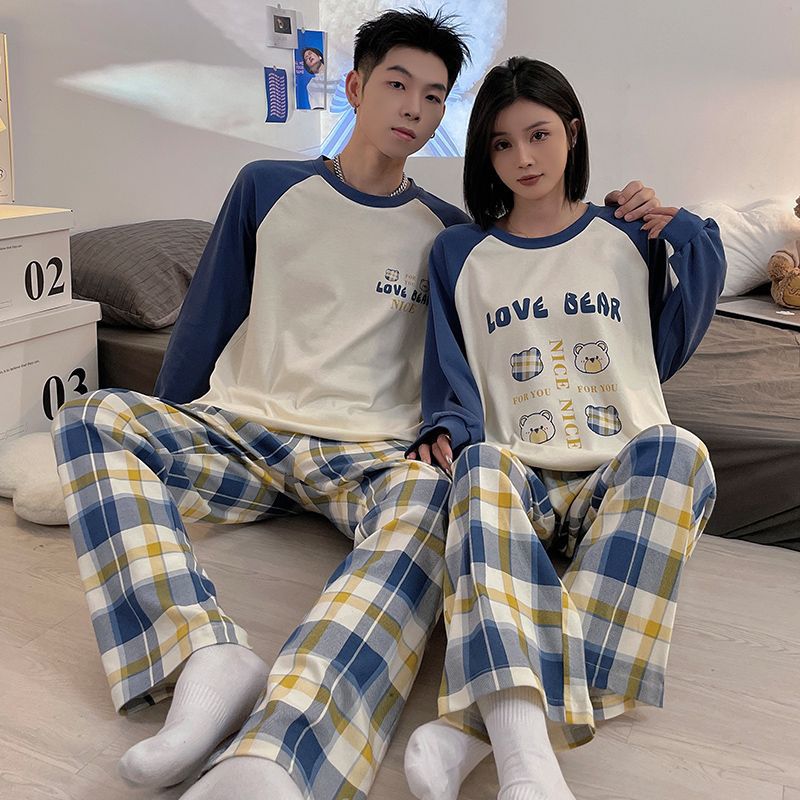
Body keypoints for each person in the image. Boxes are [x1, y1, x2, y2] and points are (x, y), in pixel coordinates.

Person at [51, 13, 664, 799]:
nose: (415, 107)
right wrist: (166, 424)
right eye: (398, 85)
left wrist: (448, 427)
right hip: (242, 430)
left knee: (430, 501)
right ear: (354, 87)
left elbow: (463, 357)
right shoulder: (267, 187)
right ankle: (201, 654)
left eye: (435, 96)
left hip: (371, 456)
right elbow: (205, 318)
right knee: (92, 416)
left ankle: (281, 755)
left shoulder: (450, 236)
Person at [403, 57, 725, 800]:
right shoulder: (459, 253)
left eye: (539, 134)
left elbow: (666, 347)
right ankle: (523, 756)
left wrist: (684, 231)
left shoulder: (627, 236)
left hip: (619, 475)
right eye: (502, 143)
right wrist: (446, 426)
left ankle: (481, 734)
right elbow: (449, 366)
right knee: (479, 464)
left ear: (572, 133)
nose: (523, 157)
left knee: (681, 450)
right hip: (521, 477)